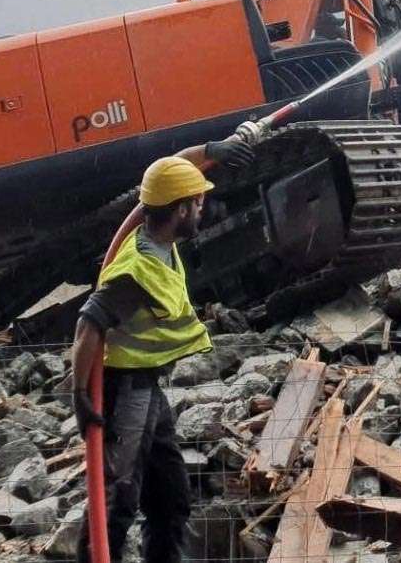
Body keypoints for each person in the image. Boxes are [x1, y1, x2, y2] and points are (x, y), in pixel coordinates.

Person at [70, 129, 258, 563]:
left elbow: (167, 169)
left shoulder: (148, 223)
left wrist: (213, 150)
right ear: (178, 210)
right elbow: (89, 323)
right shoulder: (138, 271)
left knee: (170, 499)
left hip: (148, 389)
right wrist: (81, 393)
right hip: (125, 392)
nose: (201, 208)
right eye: (196, 203)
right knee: (118, 500)